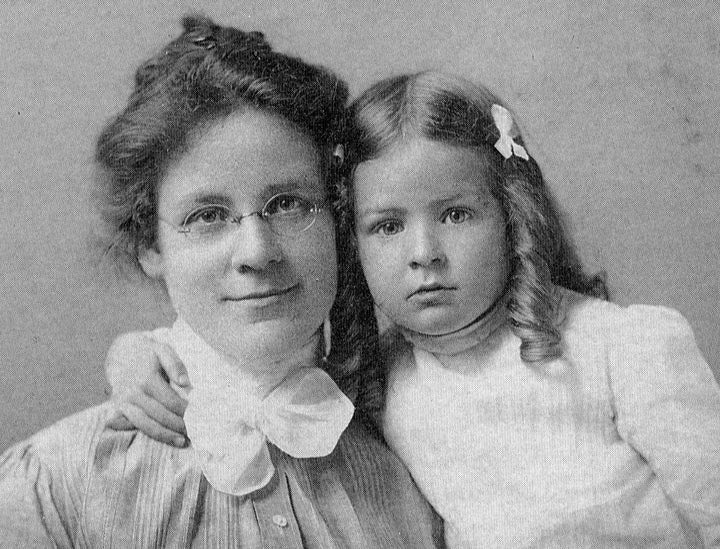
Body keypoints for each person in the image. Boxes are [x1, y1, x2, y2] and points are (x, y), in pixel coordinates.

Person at [106, 70, 720, 548]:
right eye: (388, 226)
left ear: (513, 216)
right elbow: (250, 373)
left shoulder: (624, 348)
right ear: (353, 244)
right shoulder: (376, 379)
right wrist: (135, 354)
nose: (424, 254)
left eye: (456, 214)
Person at [0, 16, 443, 548]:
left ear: (337, 220)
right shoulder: (55, 486)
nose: (257, 252)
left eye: (288, 205)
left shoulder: (417, 466)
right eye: (207, 216)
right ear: (150, 246)